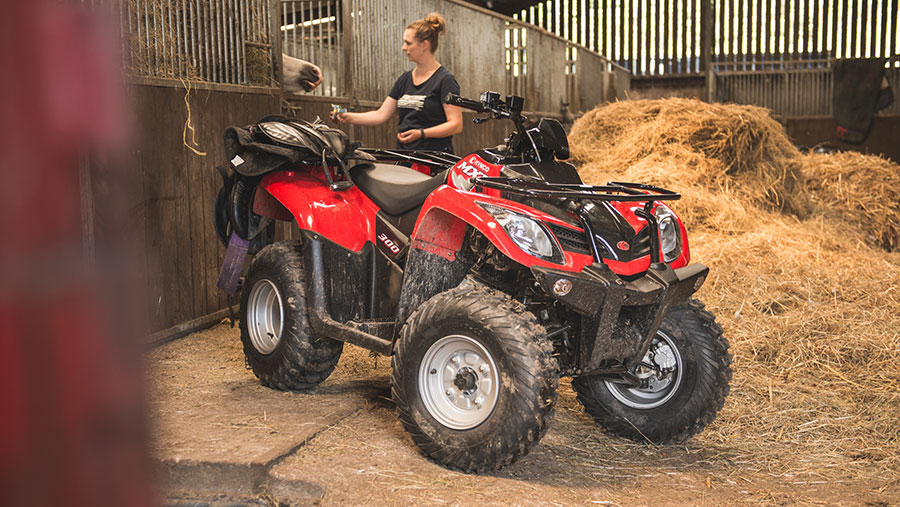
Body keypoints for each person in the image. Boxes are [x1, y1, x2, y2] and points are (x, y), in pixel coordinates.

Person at [336, 13, 462, 153]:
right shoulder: (404, 80)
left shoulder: (445, 80)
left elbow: (456, 124)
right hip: (405, 156)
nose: (403, 47)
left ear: (425, 45)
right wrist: (347, 116)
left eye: (408, 43)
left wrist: (421, 133)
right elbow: (380, 115)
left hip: (434, 160)